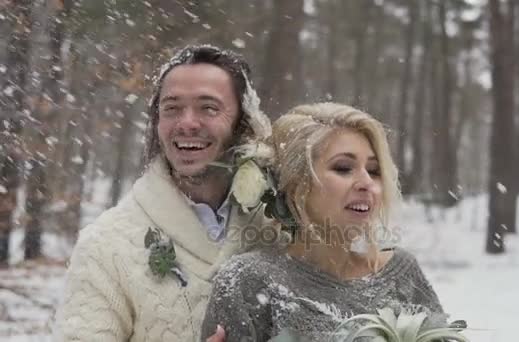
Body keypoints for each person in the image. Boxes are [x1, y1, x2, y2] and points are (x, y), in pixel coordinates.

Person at [56, 44, 271, 342]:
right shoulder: (106, 245)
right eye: (171, 109)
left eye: (208, 108)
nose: (186, 123)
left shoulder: (284, 226)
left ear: (242, 122)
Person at [200, 103, 446, 341]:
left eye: (373, 170)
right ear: (297, 184)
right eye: (343, 168)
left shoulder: (402, 274)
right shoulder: (248, 281)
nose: (366, 183)